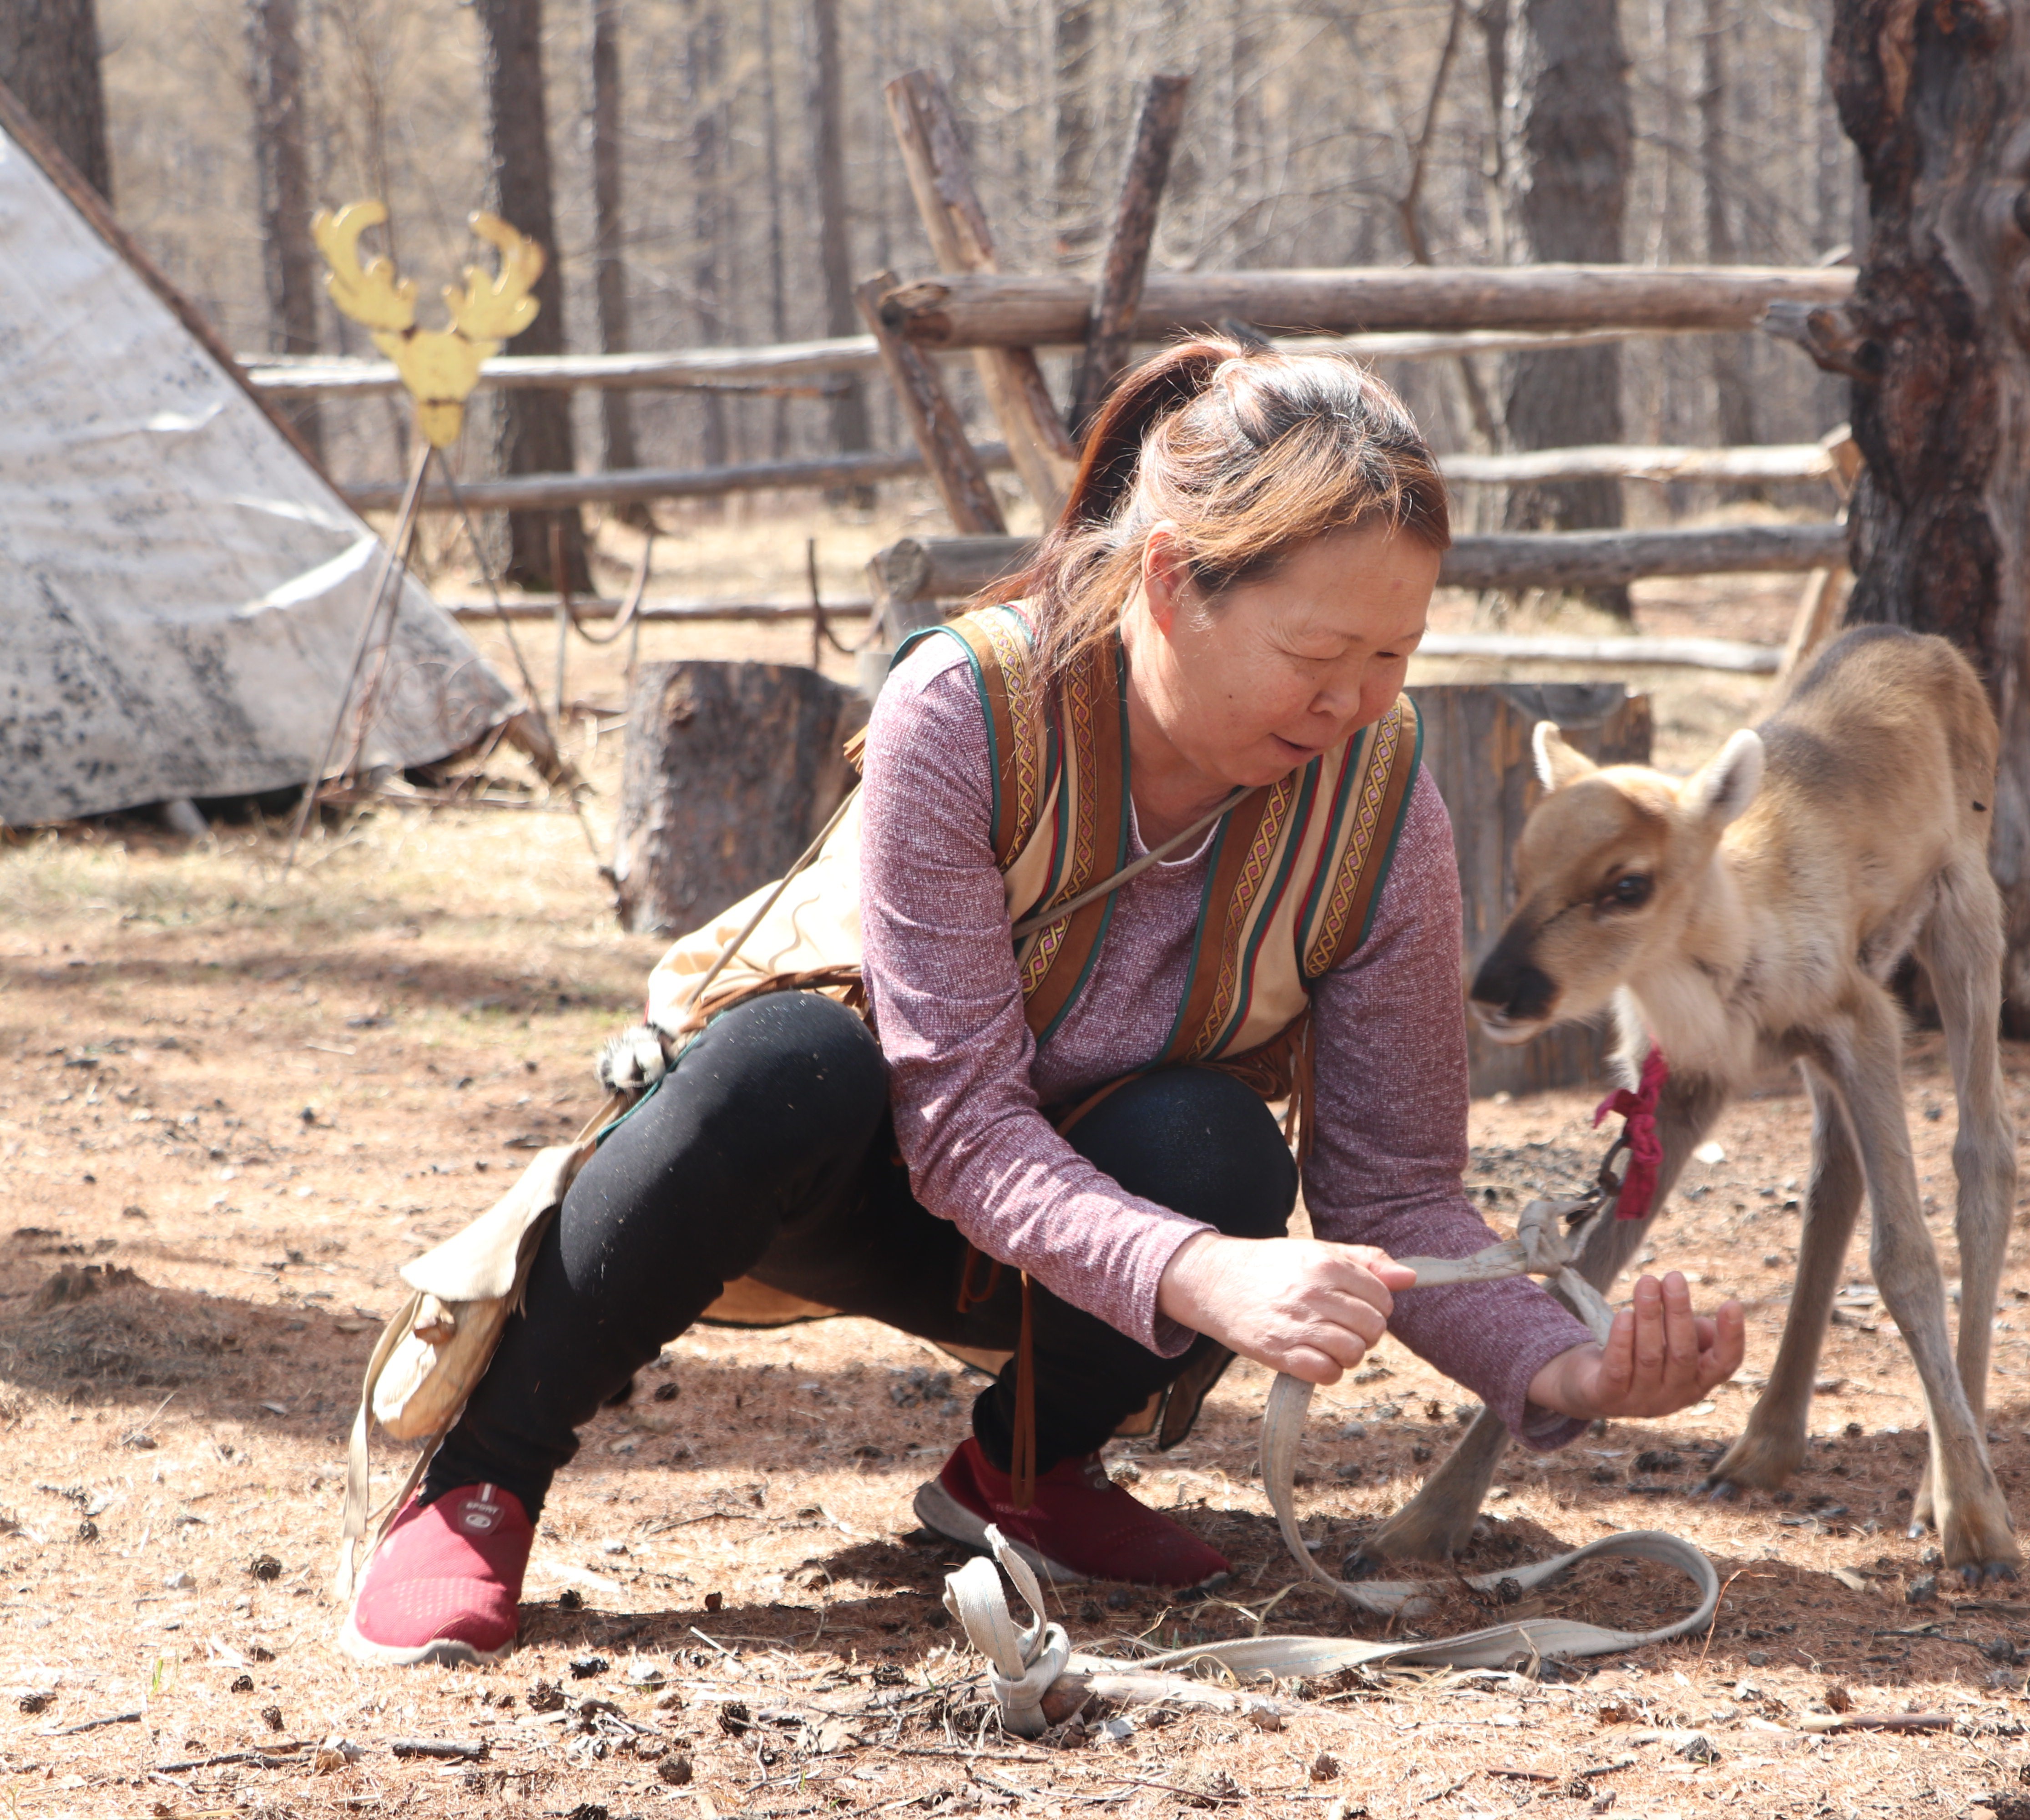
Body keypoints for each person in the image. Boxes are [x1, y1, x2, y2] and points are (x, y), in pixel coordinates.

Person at [340, 339, 1747, 1668]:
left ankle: (1022, 1474)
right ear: (1170, 578)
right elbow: (953, 1123)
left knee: (1216, 1148)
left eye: (1396, 657)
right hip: (843, 1180)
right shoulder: (963, 711)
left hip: (1078, 1236)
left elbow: (1398, 1194)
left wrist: (1562, 1369)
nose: (1354, 704)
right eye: (1319, 660)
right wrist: (1204, 1274)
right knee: (785, 1066)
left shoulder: (1384, 801)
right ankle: (479, 1485)